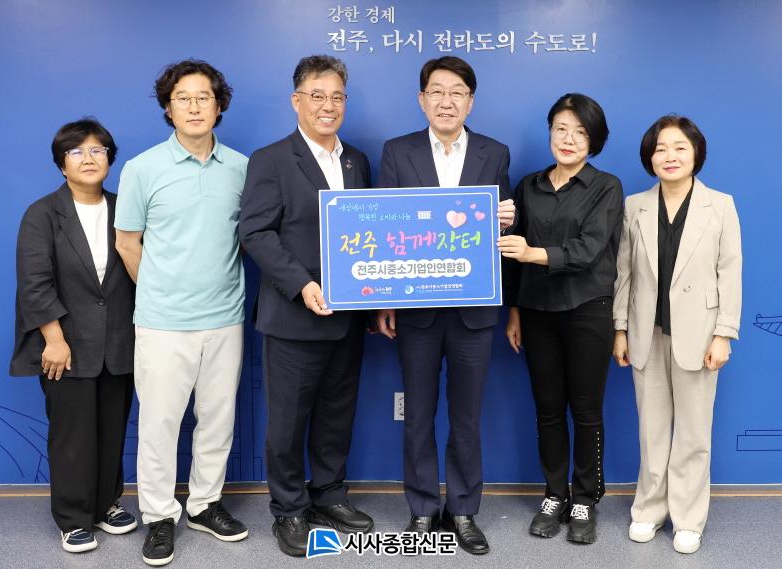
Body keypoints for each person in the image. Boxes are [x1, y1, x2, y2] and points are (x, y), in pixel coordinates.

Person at [375, 56, 514, 555]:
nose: (446, 100)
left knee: (467, 415)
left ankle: (463, 510)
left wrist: (507, 218)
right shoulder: (398, 152)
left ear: (470, 101)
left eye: (457, 92)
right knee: (417, 413)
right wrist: (384, 302)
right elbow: (385, 228)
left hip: (474, 308)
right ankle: (421, 508)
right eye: (436, 91)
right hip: (416, 309)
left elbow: (502, 227)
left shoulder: (495, 152)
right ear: (422, 99)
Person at [114, 59, 248, 566]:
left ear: (219, 105)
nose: (194, 107)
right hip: (163, 321)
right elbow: (127, 243)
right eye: (183, 98)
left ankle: (205, 504)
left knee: (217, 418)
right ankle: (158, 516)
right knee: (160, 424)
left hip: (225, 316)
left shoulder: (242, 167)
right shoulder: (142, 168)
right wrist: (162, 291)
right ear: (168, 108)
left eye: (204, 97)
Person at [240, 54, 373, 557]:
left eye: (337, 97)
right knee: (287, 422)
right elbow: (256, 232)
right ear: (297, 101)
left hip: (349, 317)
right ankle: (290, 509)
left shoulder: (357, 160)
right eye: (317, 96)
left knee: (338, 414)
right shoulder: (271, 159)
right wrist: (301, 284)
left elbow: (369, 231)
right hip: (294, 316)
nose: (328, 106)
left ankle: (329, 495)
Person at [613, 115, 741, 554]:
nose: (669, 156)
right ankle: (649, 509)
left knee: (693, 432)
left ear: (696, 154)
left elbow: (730, 272)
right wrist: (620, 328)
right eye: (661, 148)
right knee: (651, 430)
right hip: (646, 333)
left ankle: (688, 518)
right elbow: (624, 273)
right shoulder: (634, 206)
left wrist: (724, 334)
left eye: (679, 148)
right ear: (650, 157)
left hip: (701, 336)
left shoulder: (720, 205)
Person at [498, 93, 622, 544]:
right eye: (561, 129)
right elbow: (511, 256)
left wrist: (533, 253)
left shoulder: (606, 186)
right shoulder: (528, 186)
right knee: (547, 409)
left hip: (588, 310)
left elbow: (589, 249)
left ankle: (585, 498)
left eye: (580, 132)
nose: (568, 139)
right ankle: (555, 493)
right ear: (550, 132)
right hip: (536, 311)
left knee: (586, 411)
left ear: (594, 140)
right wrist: (514, 309)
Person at [10, 119, 137, 553]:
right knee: (72, 435)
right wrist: (54, 338)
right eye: (77, 152)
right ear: (62, 164)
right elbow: (34, 283)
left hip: (119, 341)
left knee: (112, 429)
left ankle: (106, 505)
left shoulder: (125, 209)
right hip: (65, 344)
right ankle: (73, 517)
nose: (88, 159)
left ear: (109, 159)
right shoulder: (43, 213)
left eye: (98, 150)